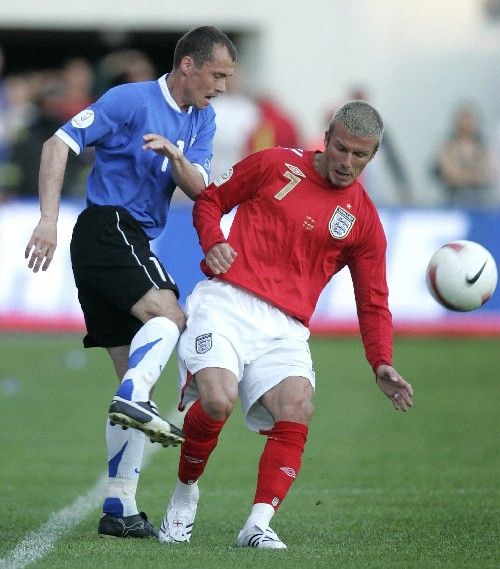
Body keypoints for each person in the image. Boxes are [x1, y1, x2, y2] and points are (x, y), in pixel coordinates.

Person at [158, 100, 414, 548]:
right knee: (218, 400)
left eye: (360, 156)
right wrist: (213, 240)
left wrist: (382, 361)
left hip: (286, 327)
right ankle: (184, 494)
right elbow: (210, 200)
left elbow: (373, 301)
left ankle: (257, 524)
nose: (347, 163)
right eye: (341, 149)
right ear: (328, 137)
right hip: (226, 303)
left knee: (298, 407)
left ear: (373, 156)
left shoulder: (365, 221)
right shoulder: (276, 163)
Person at [24, 26, 236, 539]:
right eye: (218, 74)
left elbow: (200, 190)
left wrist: (175, 156)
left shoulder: (202, 119)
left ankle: (119, 507)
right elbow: (59, 144)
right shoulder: (130, 99)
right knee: (170, 319)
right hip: (108, 227)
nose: (223, 86)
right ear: (188, 65)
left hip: (124, 241)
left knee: (134, 371)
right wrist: (48, 218)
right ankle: (135, 397)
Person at [433, 102, 494, 208]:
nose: (466, 124)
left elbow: (488, 172)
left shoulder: (482, 147)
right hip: (453, 196)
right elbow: (449, 174)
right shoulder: (448, 146)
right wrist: (471, 175)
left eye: (469, 120)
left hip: (480, 198)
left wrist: (464, 175)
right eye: (463, 120)